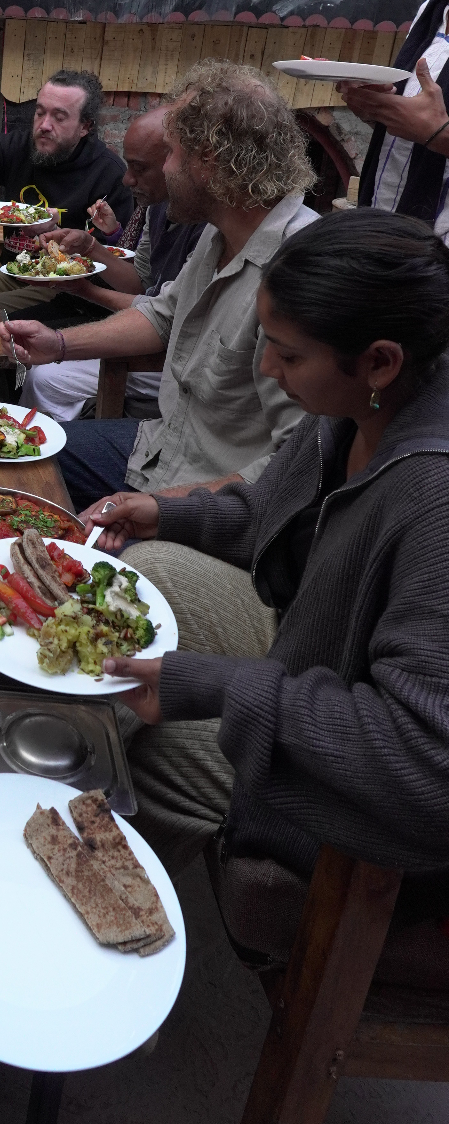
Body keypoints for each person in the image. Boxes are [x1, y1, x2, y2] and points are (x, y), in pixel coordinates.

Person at [80, 210, 449, 895]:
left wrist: (214, 685)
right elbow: (271, 513)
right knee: (138, 573)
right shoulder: (357, 407)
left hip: (360, 800)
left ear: (380, 359)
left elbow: (424, 763)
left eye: (288, 353)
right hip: (308, 653)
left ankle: (114, 902)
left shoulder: (433, 497)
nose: (268, 368)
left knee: (129, 745)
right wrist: (168, 512)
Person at [0, 61, 319, 504]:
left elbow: (298, 464)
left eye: (170, 153)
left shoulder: (301, 271)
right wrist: (58, 344)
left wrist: (162, 510)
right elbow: (163, 314)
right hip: (161, 446)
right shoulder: (219, 233)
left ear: (208, 161)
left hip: (217, 490)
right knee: (13, 459)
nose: (162, 170)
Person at [20, 107, 204, 420]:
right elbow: (141, 282)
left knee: (45, 376)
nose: (126, 179)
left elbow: (163, 316)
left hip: (171, 361)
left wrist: (84, 292)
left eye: (139, 168)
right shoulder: (156, 207)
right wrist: (91, 246)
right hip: (148, 336)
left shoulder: (207, 228)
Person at [0, 71, 133, 259]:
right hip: (11, 275)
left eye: (59, 117)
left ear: (85, 126)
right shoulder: (14, 147)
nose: (45, 125)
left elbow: (116, 257)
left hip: (71, 292)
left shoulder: (109, 174)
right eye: (40, 113)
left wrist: (59, 231)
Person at [345, 0, 449, 232]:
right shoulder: (433, 10)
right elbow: (415, 127)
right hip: (390, 244)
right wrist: (380, 106)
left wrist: (438, 135)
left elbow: (433, 129)